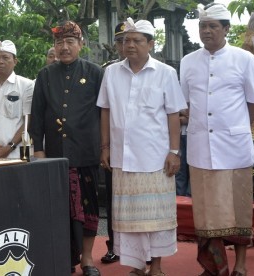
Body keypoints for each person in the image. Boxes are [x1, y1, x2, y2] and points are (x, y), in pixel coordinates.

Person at [97, 18, 187, 276]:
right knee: (129, 218)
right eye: (126, 40)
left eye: (137, 40)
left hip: (156, 158)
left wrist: (174, 151)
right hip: (123, 158)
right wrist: (105, 147)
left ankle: (156, 267)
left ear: (151, 44)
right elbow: (105, 110)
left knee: (157, 218)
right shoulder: (112, 72)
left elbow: (173, 114)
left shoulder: (166, 73)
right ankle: (136, 266)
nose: (130, 45)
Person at [180, 4, 254, 276]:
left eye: (213, 26)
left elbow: (253, 102)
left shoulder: (244, 59)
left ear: (226, 29)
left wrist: (237, 128)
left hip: (235, 148)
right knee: (206, 212)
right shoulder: (187, 61)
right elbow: (184, 104)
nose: (207, 31)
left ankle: (239, 265)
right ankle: (214, 265)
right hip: (201, 148)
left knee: (238, 210)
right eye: (203, 26)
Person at [29, 21, 103, 276]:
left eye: (70, 42)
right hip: (55, 155)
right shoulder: (45, 75)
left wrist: (105, 147)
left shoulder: (95, 73)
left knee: (88, 206)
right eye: (59, 43)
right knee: (59, 210)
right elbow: (36, 116)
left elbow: (105, 113)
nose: (64, 47)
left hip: (86, 152)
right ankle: (64, 257)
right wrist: (38, 151)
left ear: (81, 44)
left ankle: (89, 259)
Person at [100, 21, 125, 265]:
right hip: (115, 146)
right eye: (119, 40)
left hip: (145, 148)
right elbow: (102, 111)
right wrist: (104, 146)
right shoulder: (107, 70)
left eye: (129, 39)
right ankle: (114, 245)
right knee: (112, 200)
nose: (124, 44)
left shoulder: (158, 69)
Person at [175, 108, 191, 196]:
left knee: (194, 172)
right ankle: (179, 204)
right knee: (179, 172)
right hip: (179, 134)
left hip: (197, 136)